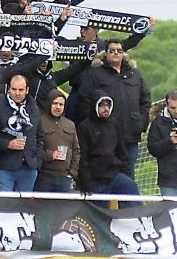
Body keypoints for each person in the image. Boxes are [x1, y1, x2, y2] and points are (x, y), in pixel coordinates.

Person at [77, 40, 151, 177]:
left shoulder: (135, 74)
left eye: (119, 50)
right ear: (106, 54)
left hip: (130, 136)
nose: (116, 53)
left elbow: (145, 101)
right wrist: (94, 128)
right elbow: (84, 100)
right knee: (103, 177)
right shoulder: (94, 74)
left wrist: (141, 123)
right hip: (104, 138)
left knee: (128, 178)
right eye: (112, 50)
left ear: (123, 53)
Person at [76, 92, 141, 206]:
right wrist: (86, 182)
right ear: (95, 106)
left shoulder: (114, 123)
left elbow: (121, 151)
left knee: (130, 186)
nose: (106, 109)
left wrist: (125, 172)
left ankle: (137, 220)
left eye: (108, 105)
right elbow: (82, 158)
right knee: (100, 216)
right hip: (95, 180)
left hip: (114, 175)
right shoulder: (84, 127)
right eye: (102, 105)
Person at [0, 75, 43, 192]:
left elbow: (40, 137)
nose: (17, 93)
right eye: (14, 89)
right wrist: (8, 144)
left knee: (22, 208)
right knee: (4, 206)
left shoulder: (34, 108)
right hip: (4, 167)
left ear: (27, 90)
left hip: (29, 167)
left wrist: (37, 161)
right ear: (8, 88)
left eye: (21, 90)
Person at [35, 89, 80, 193]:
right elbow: (34, 148)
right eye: (55, 103)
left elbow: (76, 150)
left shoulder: (70, 124)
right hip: (44, 176)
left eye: (61, 104)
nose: (58, 107)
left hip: (64, 177)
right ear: (49, 103)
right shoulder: (40, 121)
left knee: (62, 208)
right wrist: (50, 155)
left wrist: (72, 172)